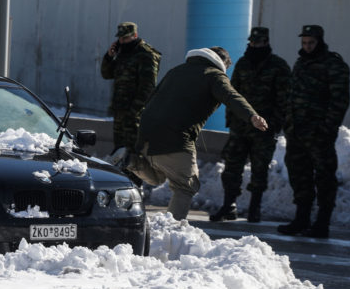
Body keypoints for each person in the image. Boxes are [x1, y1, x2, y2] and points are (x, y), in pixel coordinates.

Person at [129, 46, 268, 220]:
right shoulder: (214, 75)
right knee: (186, 186)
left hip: (146, 134)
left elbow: (151, 98)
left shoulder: (176, 70)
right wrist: (251, 116)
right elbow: (232, 96)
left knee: (157, 177)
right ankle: (170, 231)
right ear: (223, 63)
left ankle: (131, 161)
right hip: (175, 137)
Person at [210, 27, 291, 223]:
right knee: (231, 168)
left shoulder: (278, 66)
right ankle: (229, 206)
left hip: (264, 128)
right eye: (253, 42)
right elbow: (232, 93)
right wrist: (231, 119)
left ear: (266, 42)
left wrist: (275, 124)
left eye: (259, 42)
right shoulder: (243, 63)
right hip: (240, 126)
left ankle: (255, 208)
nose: (255, 45)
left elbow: (285, 98)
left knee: (259, 169)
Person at [279, 25, 350, 238]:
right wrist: (289, 123)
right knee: (299, 175)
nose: (307, 47)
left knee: (325, 176)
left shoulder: (333, 65)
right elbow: (292, 95)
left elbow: (340, 100)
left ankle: (322, 222)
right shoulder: (300, 63)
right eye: (304, 43)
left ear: (319, 41)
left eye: (311, 43)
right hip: (297, 132)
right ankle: (301, 218)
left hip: (319, 133)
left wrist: (327, 128)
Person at [100, 22, 161, 173]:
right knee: (120, 151)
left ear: (135, 35)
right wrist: (109, 56)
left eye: (126, 38)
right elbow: (107, 74)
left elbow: (148, 88)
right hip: (120, 111)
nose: (122, 41)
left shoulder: (146, 54)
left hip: (135, 113)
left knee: (134, 153)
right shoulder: (123, 53)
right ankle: (120, 182)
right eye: (120, 38)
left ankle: (135, 184)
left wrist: (134, 111)